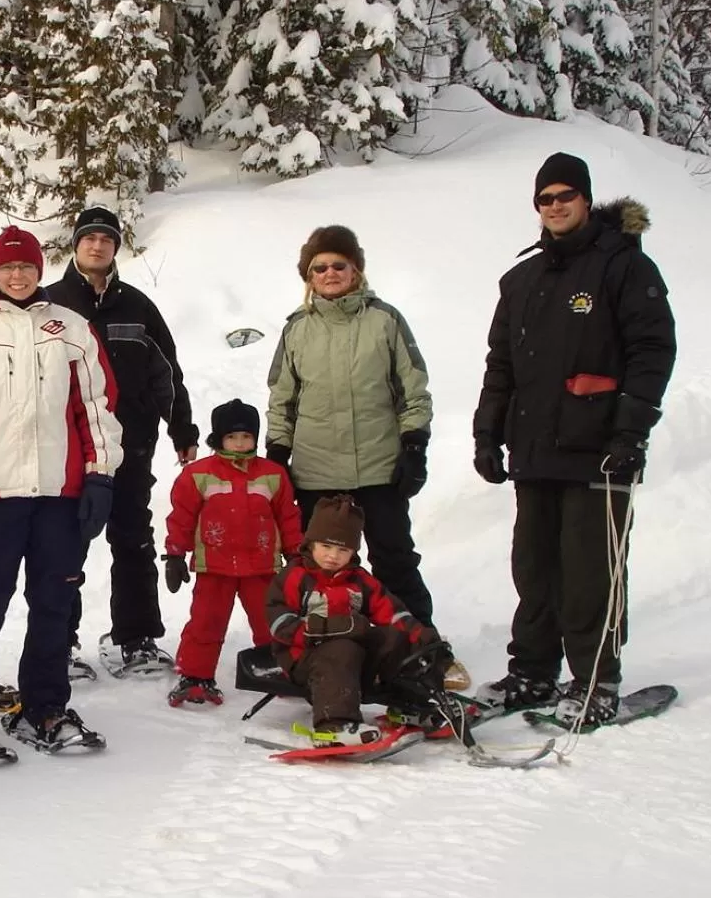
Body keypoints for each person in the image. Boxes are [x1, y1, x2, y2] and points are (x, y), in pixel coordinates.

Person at [472, 153, 676, 727]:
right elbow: (501, 364)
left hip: (600, 450)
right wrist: (488, 432)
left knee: (590, 572)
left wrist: (631, 430)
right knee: (534, 569)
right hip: (534, 450)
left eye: (566, 195)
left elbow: (652, 351)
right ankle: (533, 671)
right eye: (546, 198)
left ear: (586, 199)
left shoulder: (624, 268)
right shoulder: (521, 280)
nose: (556, 206)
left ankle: (595, 681)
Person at [0, 225, 123, 762]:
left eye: (27, 267)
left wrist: (101, 475)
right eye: (7, 268)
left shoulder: (71, 328)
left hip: (59, 493)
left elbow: (96, 407)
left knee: (54, 604)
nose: (17, 275)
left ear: (39, 270)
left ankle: (44, 708)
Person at [264, 225, 463, 685]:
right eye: (320, 267)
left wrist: (415, 446)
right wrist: (279, 453)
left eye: (339, 264)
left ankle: (424, 651)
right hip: (316, 472)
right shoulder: (297, 329)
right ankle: (316, 658)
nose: (330, 273)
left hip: (379, 467)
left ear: (356, 270)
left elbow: (414, 390)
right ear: (308, 277)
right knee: (316, 573)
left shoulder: (385, 321)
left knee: (394, 560)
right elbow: (281, 400)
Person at [46, 204, 197, 675]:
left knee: (133, 538)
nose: (97, 245)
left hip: (131, 443)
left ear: (116, 249)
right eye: (89, 237)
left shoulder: (138, 306)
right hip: (68, 447)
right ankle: (58, 641)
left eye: (106, 239)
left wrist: (182, 428)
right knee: (65, 542)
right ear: (75, 245)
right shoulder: (49, 304)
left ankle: (135, 637)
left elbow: (166, 374)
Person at [266, 495, 450, 746]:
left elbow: (392, 613)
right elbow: (280, 622)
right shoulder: (295, 576)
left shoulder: (359, 580)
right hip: (304, 659)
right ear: (310, 544)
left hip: (353, 659)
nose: (333, 556)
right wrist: (328, 628)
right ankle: (335, 725)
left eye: (342, 549)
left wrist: (421, 636)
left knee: (396, 639)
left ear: (353, 551)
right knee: (341, 648)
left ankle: (409, 706)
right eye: (326, 547)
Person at [162, 399, 302, 707]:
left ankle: (279, 667)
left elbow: (288, 518)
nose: (240, 444)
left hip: (261, 565)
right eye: (232, 437)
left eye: (246, 437)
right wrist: (174, 554)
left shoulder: (273, 474)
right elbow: (182, 516)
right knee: (206, 621)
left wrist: (295, 555)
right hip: (215, 565)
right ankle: (195, 675)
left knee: (271, 621)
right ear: (219, 439)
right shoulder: (198, 475)